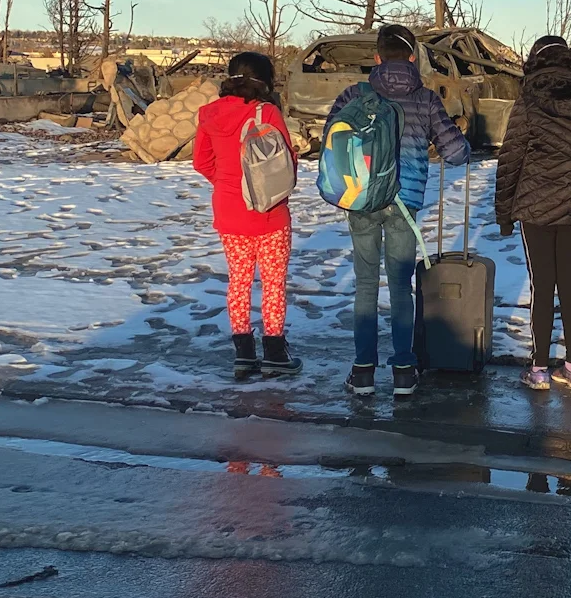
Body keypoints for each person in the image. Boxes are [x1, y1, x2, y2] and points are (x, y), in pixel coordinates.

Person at [329, 25, 471, 398]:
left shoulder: (352, 94)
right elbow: (456, 153)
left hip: (361, 199)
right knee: (399, 286)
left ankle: (363, 372)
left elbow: (331, 143)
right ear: (412, 58)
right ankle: (404, 372)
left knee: (364, 284)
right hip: (404, 204)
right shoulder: (425, 98)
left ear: (376, 57)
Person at [494, 36, 571, 390]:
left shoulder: (528, 102)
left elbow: (510, 160)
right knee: (570, 283)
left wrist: (504, 211)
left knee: (542, 286)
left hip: (534, 206)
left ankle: (540, 368)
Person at [193, 51, 302, 380]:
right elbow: (286, 163)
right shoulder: (266, 112)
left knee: (238, 282)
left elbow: (201, 161)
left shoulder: (208, 113)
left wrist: (227, 184)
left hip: (229, 212)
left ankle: (243, 354)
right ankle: (274, 353)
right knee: (273, 284)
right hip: (268, 213)